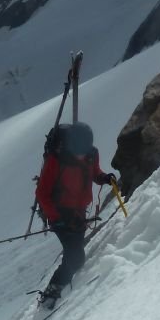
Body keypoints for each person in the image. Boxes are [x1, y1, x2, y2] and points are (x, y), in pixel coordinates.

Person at [34, 122, 117, 306]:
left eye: (83, 150)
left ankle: (67, 282)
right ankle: (51, 292)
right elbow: (42, 193)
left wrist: (103, 177)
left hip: (79, 212)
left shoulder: (91, 154)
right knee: (74, 255)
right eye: (77, 150)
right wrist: (56, 218)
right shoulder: (56, 160)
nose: (80, 155)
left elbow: (94, 172)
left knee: (76, 252)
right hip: (59, 213)